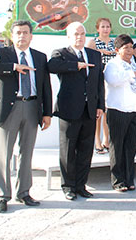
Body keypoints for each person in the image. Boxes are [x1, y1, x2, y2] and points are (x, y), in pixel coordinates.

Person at [0, 20, 52, 213]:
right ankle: (2, 195)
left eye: (25, 32)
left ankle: (24, 192)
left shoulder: (39, 57)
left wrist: (47, 113)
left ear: (31, 36)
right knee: (4, 153)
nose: (22, 36)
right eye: (18, 33)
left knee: (27, 151)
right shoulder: (2, 54)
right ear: (12, 36)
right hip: (9, 109)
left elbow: (45, 85)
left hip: (31, 106)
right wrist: (13, 67)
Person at [48, 22, 105, 200]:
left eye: (82, 34)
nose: (79, 37)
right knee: (68, 149)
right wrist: (76, 65)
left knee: (86, 149)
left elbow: (98, 82)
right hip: (69, 110)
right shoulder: (61, 54)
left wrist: (100, 105)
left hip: (89, 109)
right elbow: (52, 66)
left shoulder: (95, 55)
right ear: (68, 36)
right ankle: (68, 186)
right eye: (75, 34)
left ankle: (81, 185)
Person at [103, 34, 136, 192]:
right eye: (126, 48)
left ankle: (129, 178)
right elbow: (112, 80)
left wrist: (134, 73)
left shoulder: (134, 64)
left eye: (131, 47)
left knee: (131, 147)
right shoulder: (113, 64)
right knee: (117, 147)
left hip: (135, 110)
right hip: (118, 110)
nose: (129, 51)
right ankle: (118, 181)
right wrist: (130, 75)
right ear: (117, 50)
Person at [86, 18, 116, 155]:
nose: (105, 29)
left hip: (112, 77)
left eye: (108, 26)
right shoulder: (93, 42)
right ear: (98, 28)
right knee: (99, 110)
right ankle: (97, 140)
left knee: (108, 110)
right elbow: (87, 58)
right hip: (99, 76)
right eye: (103, 26)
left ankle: (106, 139)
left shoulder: (114, 42)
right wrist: (100, 51)